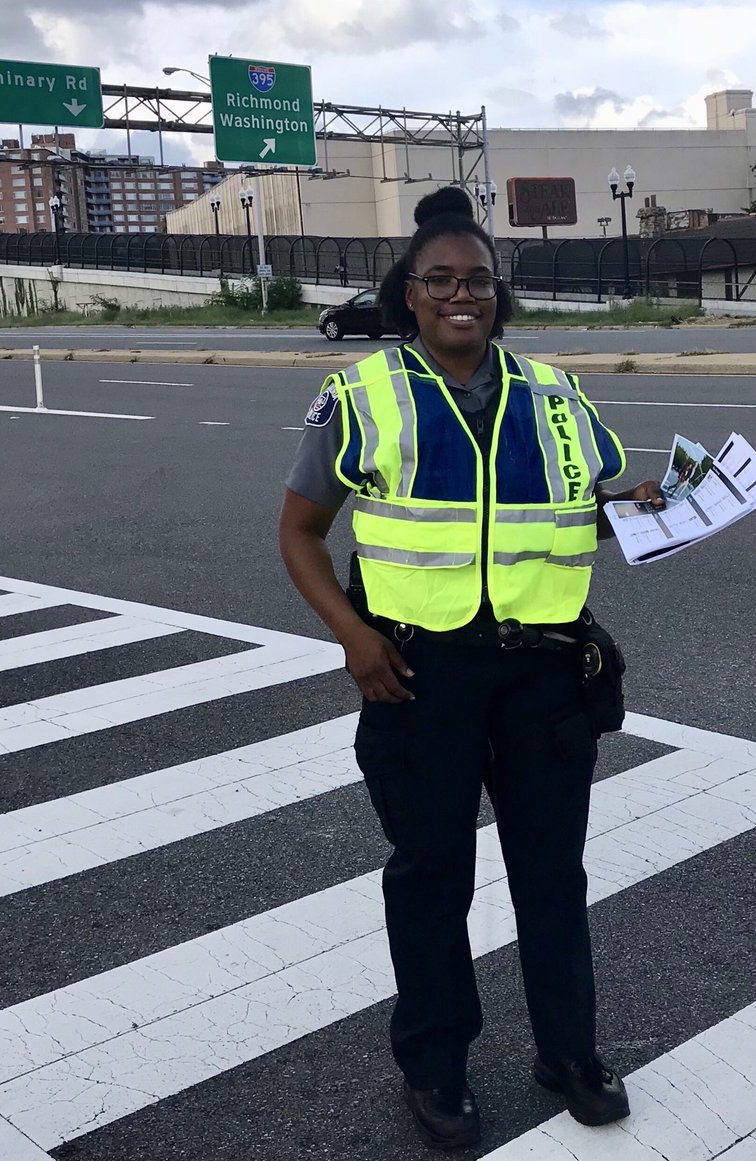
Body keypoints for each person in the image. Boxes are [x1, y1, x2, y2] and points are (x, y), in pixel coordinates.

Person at [278, 186, 664, 1150]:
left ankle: (568, 1051)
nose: (462, 295)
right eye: (440, 279)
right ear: (408, 293)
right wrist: (351, 635)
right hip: (415, 674)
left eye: (479, 281)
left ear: (500, 295)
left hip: (543, 676)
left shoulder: (555, 394)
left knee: (551, 872)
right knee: (430, 876)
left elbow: (583, 513)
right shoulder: (364, 396)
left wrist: (647, 505)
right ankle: (436, 1066)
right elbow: (299, 533)